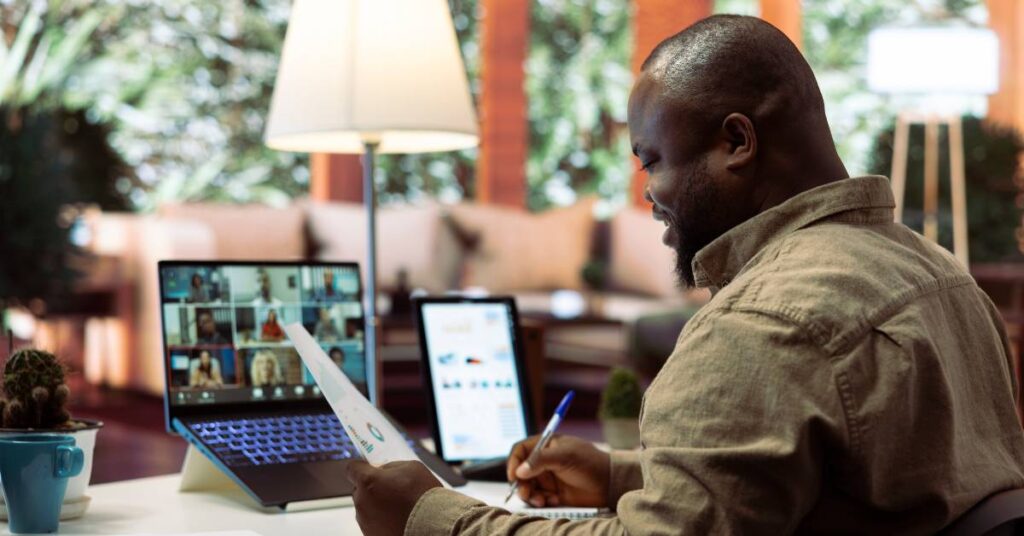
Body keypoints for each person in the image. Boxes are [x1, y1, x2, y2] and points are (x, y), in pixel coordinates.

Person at [342, 15, 1024, 535]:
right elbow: (844, 480)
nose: (647, 190)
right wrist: (617, 472)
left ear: (736, 142)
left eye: (653, 159)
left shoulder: (762, 325)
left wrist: (432, 516)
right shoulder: (945, 279)